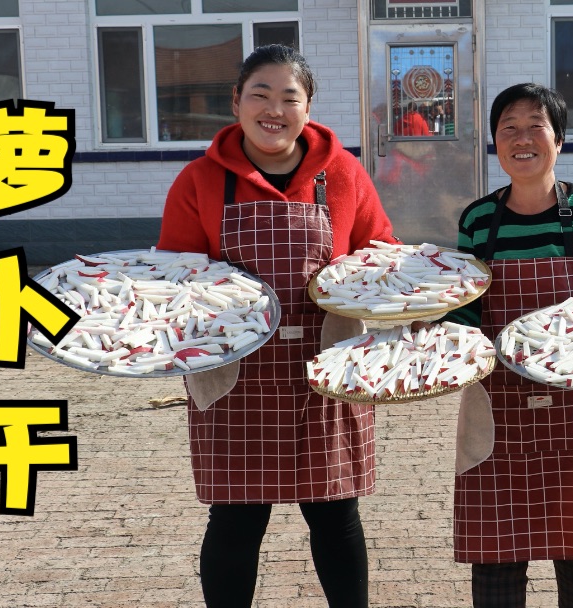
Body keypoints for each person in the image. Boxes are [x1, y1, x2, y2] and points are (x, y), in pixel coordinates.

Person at [157, 44, 396, 608]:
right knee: (236, 519)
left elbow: (381, 252)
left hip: (327, 364)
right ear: (236, 101)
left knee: (334, 512)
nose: (275, 109)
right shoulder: (199, 180)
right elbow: (173, 277)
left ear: (308, 107)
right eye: (260, 94)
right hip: (236, 373)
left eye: (290, 97)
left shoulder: (342, 173)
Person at [438, 83, 573, 607]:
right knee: (495, 555)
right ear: (495, 143)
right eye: (508, 128)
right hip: (495, 402)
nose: (522, 138)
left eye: (535, 125)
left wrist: (536, 352)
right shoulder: (478, 221)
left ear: (558, 139)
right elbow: (467, 315)